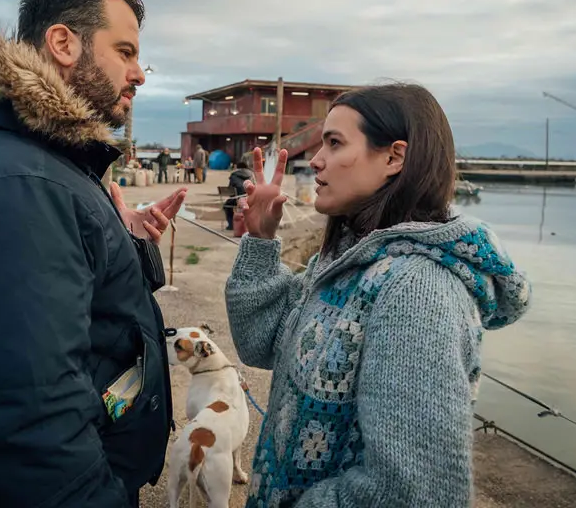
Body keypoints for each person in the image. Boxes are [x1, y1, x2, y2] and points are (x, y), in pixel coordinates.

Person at [0, 0, 187, 508]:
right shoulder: (18, 183)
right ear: (63, 43)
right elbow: (27, 426)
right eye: (125, 52)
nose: (138, 74)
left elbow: (80, 308)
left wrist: (121, 239)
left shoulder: (32, 159)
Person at [225, 83, 531, 507]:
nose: (316, 160)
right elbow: (262, 342)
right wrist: (260, 240)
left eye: (335, 143)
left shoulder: (417, 290)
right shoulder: (347, 258)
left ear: (394, 157)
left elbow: (413, 493)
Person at [223, 160, 254, 230]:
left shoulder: (234, 175)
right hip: (250, 199)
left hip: (237, 199)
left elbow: (230, 190)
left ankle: (231, 225)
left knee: (227, 206)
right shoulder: (251, 175)